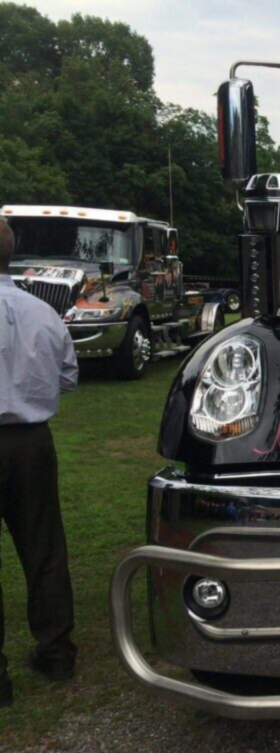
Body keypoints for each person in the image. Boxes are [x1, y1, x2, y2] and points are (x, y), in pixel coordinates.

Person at [0, 219, 79, 709]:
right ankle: (55, 654)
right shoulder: (43, 311)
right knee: (44, 547)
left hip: (28, 437)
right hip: (31, 442)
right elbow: (67, 376)